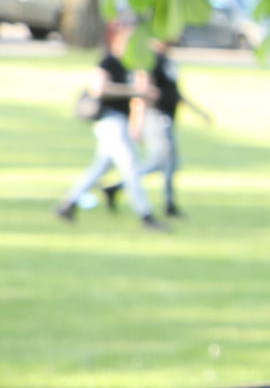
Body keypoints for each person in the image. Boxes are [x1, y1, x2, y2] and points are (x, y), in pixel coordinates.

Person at [54, 19, 167, 232]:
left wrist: (139, 118)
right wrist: (133, 90)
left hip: (122, 121)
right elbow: (99, 88)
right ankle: (146, 215)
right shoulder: (109, 62)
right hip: (109, 120)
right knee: (130, 167)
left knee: (101, 167)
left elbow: (140, 99)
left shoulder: (134, 65)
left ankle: (67, 204)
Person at [132, 37, 211, 219]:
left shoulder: (168, 62)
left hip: (168, 117)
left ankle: (120, 185)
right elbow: (142, 93)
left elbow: (175, 93)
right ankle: (168, 204)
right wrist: (138, 122)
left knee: (166, 163)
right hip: (157, 117)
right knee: (166, 162)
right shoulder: (151, 61)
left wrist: (199, 112)